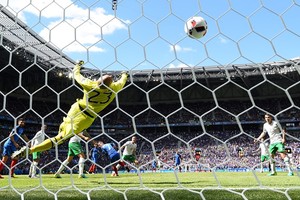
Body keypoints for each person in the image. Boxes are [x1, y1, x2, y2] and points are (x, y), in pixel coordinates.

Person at [12, 61, 128, 159]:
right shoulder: (115, 88)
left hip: (76, 109)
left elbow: (76, 75)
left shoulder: (90, 84)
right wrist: (124, 74)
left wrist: (78, 64)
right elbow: (122, 81)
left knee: (61, 132)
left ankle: (32, 150)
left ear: (97, 81)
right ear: (111, 84)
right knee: (59, 139)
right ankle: (31, 150)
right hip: (86, 119)